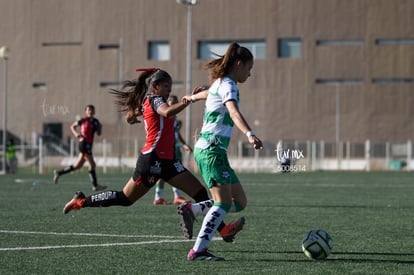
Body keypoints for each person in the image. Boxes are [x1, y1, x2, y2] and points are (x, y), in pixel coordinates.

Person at [62, 68, 245, 245]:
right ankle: (81, 201)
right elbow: (166, 112)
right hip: (152, 161)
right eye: (166, 85)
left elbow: (133, 115)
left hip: (169, 162)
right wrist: (188, 100)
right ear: (155, 86)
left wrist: (132, 116)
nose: (169, 89)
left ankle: (223, 230)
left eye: (170, 86)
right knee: (125, 199)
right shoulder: (156, 100)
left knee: (200, 193)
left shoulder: (155, 101)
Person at [178, 42, 263, 261]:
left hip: (214, 152)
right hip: (211, 151)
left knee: (240, 201)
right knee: (223, 203)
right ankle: (198, 251)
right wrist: (250, 134)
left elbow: (209, 94)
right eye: (249, 68)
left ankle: (194, 211)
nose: (250, 73)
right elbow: (233, 112)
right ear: (238, 64)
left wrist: (192, 97)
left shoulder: (220, 83)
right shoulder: (229, 85)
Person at [53, 105, 106, 191]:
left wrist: (100, 128)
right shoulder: (83, 120)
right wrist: (76, 134)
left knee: (77, 166)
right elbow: (72, 126)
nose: (91, 111)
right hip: (84, 144)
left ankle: (59, 173)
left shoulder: (96, 122)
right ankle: (95, 185)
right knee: (92, 165)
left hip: (89, 145)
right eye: (89, 110)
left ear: (94, 112)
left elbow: (99, 133)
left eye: (92, 110)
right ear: (86, 111)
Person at [153, 95, 191, 205]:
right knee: (166, 173)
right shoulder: (163, 117)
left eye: (176, 103)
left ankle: (175, 197)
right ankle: (159, 197)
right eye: (171, 103)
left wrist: (184, 144)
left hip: (175, 149)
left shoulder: (175, 120)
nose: (174, 105)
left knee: (175, 172)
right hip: (166, 150)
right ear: (167, 104)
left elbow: (176, 134)